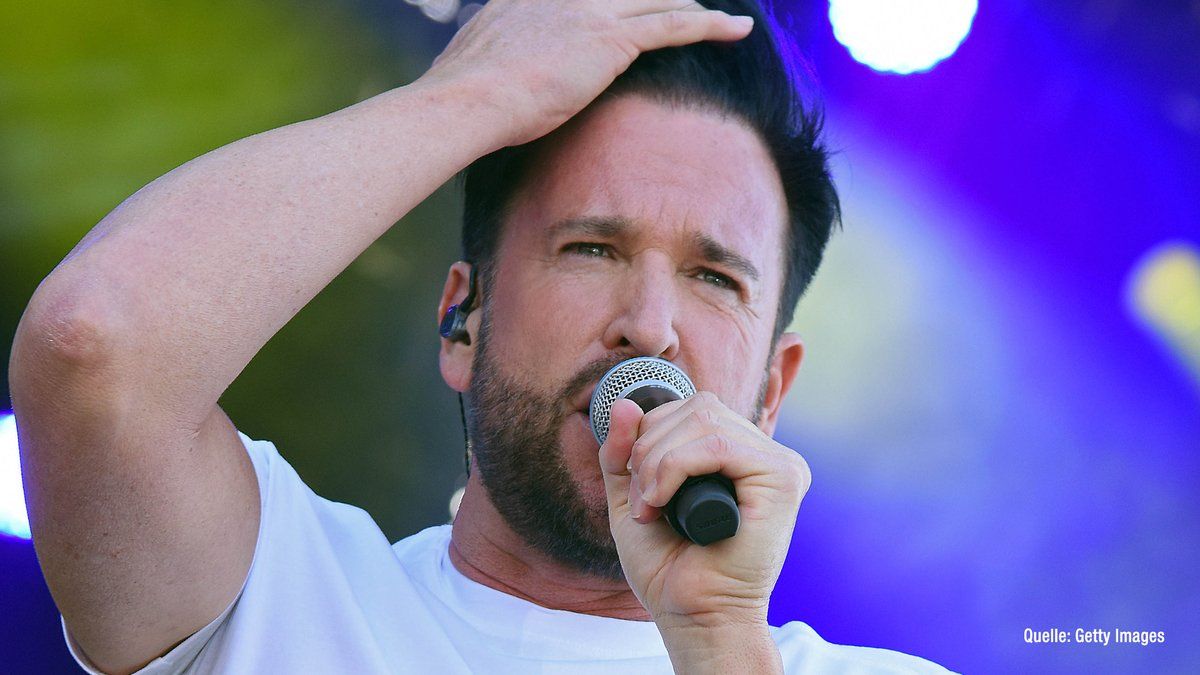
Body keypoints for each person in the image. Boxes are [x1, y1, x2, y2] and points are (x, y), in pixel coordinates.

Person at [9, 0, 953, 673]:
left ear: (773, 391)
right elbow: (94, 345)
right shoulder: (272, 591)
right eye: (591, 247)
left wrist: (719, 642)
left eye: (715, 277)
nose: (651, 324)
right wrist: (473, 93)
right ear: (462, 319)